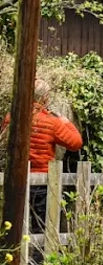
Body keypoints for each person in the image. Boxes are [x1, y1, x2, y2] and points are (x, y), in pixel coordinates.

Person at [0, 79, 83, 238]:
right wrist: (66, 122)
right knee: (41, 227)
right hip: (42, 181)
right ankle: (37, 255)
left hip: (16, 179)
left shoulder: (12, 117)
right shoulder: (51, 122)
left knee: (14, 225)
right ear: (45, 98)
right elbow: (76, 142)